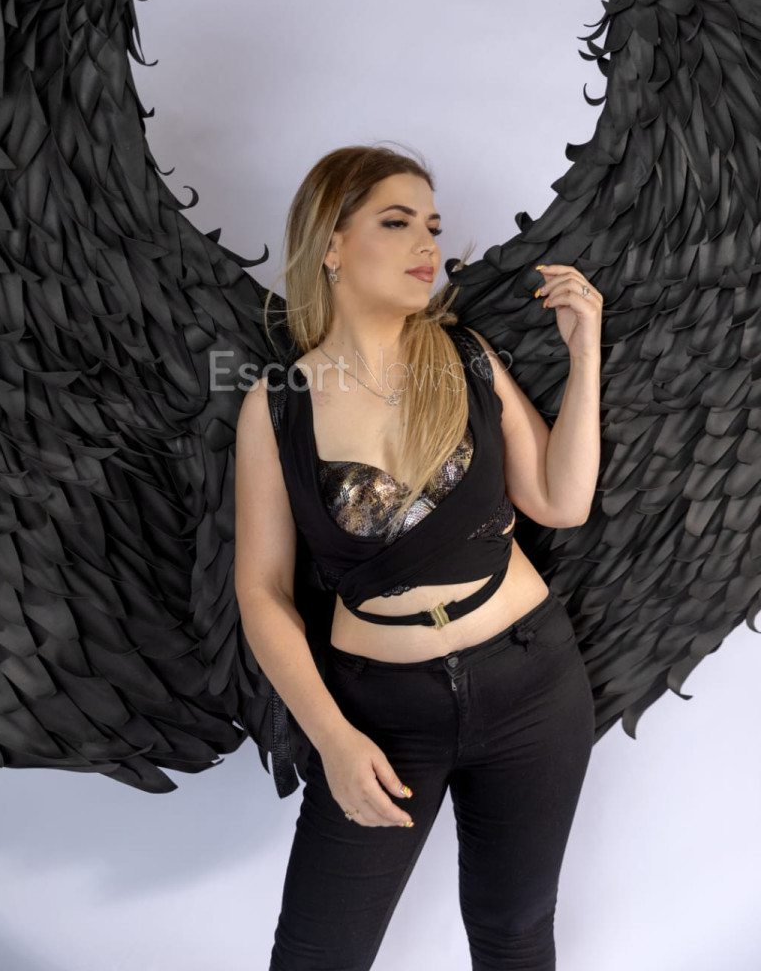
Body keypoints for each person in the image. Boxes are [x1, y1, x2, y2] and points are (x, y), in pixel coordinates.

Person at [235, 145, 602, 971]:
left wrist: (585, 354)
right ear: (331, 244)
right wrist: (332, 739)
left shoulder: (465, 357)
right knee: (316, 955)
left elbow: (561, 501)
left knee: (514, 934)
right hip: (380, 714)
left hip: (532, 685)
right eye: (397, 223)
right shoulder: (278, 405)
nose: (426, 244)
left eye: (432, 227)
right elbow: (260, 592)